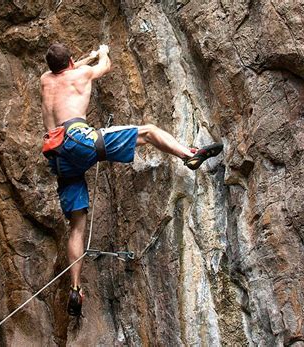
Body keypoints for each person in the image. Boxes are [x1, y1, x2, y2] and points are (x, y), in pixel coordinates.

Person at [40, 43, 223, 316]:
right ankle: (189, 155)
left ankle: (75, 288)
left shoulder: (45, 80)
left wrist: (83, 58)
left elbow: (65, 69)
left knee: (77, 225)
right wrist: (101, 52)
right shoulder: (82, 75)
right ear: (70, 61)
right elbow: (105, 66)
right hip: (79, 139)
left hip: (57, 154)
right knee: (147, 132)